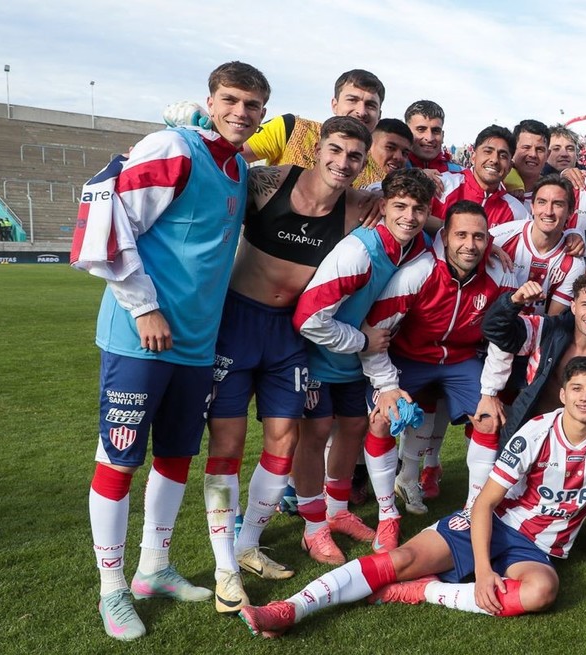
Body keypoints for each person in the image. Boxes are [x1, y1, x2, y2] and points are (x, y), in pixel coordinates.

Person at [71, 61, 270, 641]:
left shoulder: (237, 167)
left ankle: (153, 568)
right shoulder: (173, 147)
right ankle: (112, 587)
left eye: (252, 105)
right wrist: (143, 307)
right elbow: (109, 222)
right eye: (231, 100)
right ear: (209, 99)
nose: (241, 112)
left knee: (177, 456)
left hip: (196, 344)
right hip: (142, 336)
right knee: (119, 458)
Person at [237, 357, 586, 637]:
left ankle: (426, 591)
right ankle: (290, 608)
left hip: (538, 549)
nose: (584, 397)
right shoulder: (537, 433)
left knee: (542, 592)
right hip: (491, 523)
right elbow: (485, 503)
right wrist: (485, 570)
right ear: (563, 394)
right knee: (398, 562)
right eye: (576, 388)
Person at [202, 116, 375, 608]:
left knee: (286, 438)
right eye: (336, 150)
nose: (343, 163)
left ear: (364, 164)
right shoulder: (268, 180)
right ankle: (224, 566)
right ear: (317, 149)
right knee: (228, 444)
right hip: (236, 322)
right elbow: (212, 172)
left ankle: (249, 545)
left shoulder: (360, 206)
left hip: (288, 333)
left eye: (354, 156)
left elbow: (420, 208)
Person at [293, 168, 439, 555]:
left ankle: (337, 511)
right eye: (400, 206)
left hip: (355, 360)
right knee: (315, 435)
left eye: (418, 208)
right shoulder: (358, 251)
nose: (409, 216)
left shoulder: (418, 245)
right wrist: (361, 339)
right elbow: (307, 319)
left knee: (353, 428)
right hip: (319, 354)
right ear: (383, 206)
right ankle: (313, 527)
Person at [364, 202, 515, 513]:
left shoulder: (500, 276)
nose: (470, 245)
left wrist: (490, 392)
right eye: (461, 235)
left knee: (489, 419)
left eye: (478, 236)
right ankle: (387, 512)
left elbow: (502, 339)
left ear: (488, 239)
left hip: (460, 361)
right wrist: (386, 384)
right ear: (444, 236)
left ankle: (476, 509)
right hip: (409, 358)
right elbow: (375, 331)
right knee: (381, 420)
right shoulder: (418, 272)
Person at [478, 272, 586, 487]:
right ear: (573, 306)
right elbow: (494, 330)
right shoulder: (546, 330)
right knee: (512, 501)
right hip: (537, 429)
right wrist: (513, 302)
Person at [243, 69, 385, 188]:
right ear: (334, 105)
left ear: (379, 115)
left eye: (371, 105)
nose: (361, 111)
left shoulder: (379, 180)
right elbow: (226, 158)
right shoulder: (290, 128)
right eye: (352, 100)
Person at [488, 175, 585, 316]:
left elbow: (552, 321)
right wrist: (486, 247)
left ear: (570, 211)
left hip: (538, 332)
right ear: (532, 207)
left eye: (558, 204)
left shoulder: (573, 262)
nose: (548, 211)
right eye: (542, 202)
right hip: (488, 327)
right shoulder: (503, 236)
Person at [429, 125, 529, 229]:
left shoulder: (517, 212)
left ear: (509, 167)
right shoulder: (443, 184)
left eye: (503, 156)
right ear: (473, 157)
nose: (494, 160)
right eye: (488, 151)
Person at [405, 100, 462, 173]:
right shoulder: (392, 171)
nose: (429, 138)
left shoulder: (460, 175)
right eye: (421, 129)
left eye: (436, 131)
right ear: (407, 133)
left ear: (442, 136)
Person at [502, 119, 549, 202]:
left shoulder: (555, 192)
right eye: (526, 147)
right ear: (513, 151)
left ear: (548, 155)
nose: (533, 154)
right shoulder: (495, 187)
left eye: (540, 149)